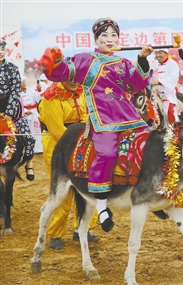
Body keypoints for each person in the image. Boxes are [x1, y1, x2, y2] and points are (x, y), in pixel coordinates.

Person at [38, 17, 153, 232]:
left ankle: (149, 191)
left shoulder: (124, 62)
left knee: (149, 144)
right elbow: (64, 71)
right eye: (105, 36)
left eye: (113, 36)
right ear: (96, 39)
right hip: (103, 118)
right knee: (107, 154)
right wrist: (54, 60)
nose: (110, 40)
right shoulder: (86, 60)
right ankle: (101, 206)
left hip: (128, 115)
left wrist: (142, 59)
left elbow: (138, 82)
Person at [39, 80, 99, 249]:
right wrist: (79, 145)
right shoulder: (50, 98)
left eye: (76, 76)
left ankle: (82, 229)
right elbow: (57, 129)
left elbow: (88, 119)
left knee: (87, 190)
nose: (74, 81)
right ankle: (55, 234)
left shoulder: (82, 93)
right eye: (69, 77)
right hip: (59, 149)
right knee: (62, 193)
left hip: (82, 146)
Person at [0, 40, 36, 180]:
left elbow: (15, 92)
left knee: (28, 137)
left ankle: (29, 163)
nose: (0, 52)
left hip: (12, 108)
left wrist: (9, 114)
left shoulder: (13, 68)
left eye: (2, 49)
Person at [150, 48, 180, 128]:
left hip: (167, 93)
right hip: (154, 92)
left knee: (169, 112)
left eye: (160, 53)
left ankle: (174, 129)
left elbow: (173, 78)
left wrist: (159, 82)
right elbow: (149, 76)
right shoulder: (153, 64)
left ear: (166, 54)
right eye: (156, 53)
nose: (158, 55)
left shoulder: (173, 64)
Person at [20, 76, 43, 153]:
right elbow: (17, 104)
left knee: (36, 131)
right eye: (22, 82)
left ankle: (37, 149)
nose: (24, 83)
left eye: (24, 81)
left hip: (33, 113)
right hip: (23, 115)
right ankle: (26, 149)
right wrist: (25, 110)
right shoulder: (16, 92)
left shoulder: (31, 90)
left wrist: (39, 89)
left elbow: (38, 97)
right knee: (25, 132)